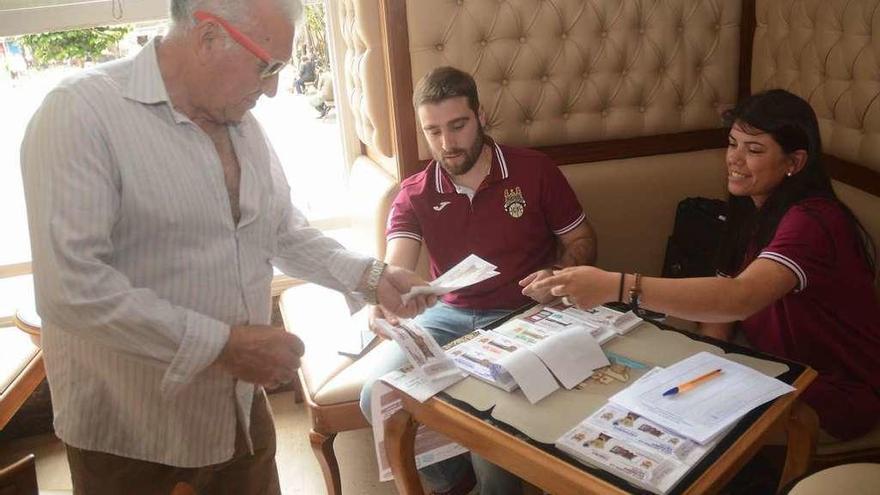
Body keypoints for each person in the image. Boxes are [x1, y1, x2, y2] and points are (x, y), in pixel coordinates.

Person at [19, 1, 433, 494]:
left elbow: (279, 229)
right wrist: (224, 347)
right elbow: (71, 288)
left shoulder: (239, 121)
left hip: (237, 410)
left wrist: (371, 277)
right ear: (208, 37)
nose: (275, 87)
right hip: (135, 436)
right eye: (268, 66)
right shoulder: (80, 114)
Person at [534, 89, 880, 441]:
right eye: (733, 144)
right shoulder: (751, 206)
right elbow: (722, 317)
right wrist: (701, 369)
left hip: (831, 390)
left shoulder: (813, 220)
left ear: (794, 162)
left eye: (754, 150)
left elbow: (738, 297)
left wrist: (618, 286)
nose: (735, 159)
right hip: (770, 368)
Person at [359, 66, 597, 495]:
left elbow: (581, 239)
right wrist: (391, 292)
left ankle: (486, 474)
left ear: (480, 117)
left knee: (492, 431)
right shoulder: (414, 193)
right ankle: (451, 476)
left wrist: (559, 274)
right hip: (449, 314)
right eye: (433, 132)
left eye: (458, 126)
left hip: (524, 314)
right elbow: (398, 262)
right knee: (375, 394)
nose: (447, 144)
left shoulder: (534, 170)